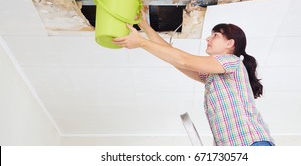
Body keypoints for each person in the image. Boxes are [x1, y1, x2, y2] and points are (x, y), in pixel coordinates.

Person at [112, 9, 275, 146]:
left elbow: (183, 60)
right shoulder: (213, 75)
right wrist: (143, 25)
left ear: (229, 43)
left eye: (215, 35)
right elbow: (177, 60)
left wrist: (142, 43)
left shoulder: (232, 62)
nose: (208, 39)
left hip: (251, 143)